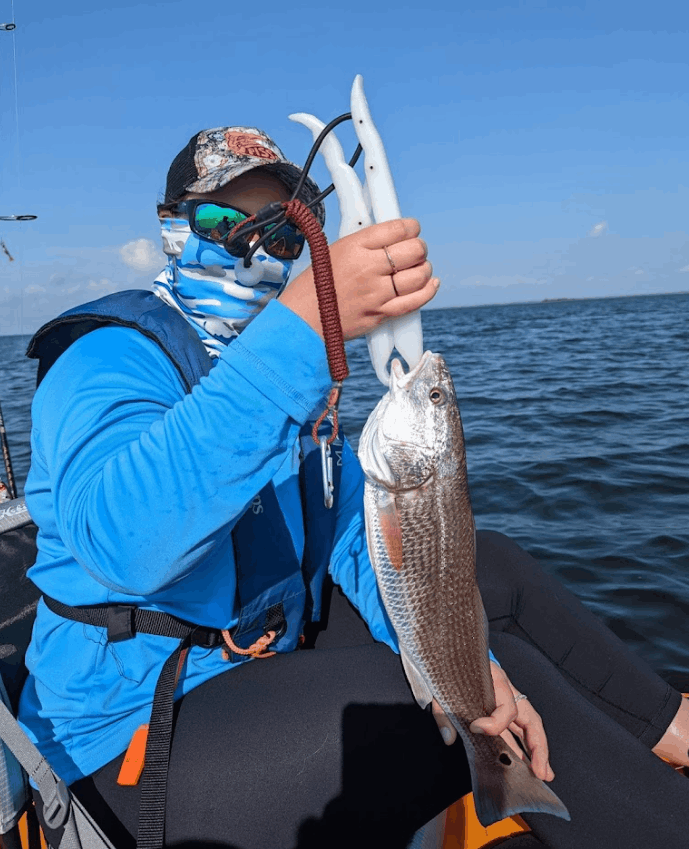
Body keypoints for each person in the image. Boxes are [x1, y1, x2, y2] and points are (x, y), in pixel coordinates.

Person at [17, 125, 689, 849]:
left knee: (486, 581)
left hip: (258, 653)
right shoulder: (108, 353)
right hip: (131, 726)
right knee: (492, 692)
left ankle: (669, 729)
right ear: (172, 225)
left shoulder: (271, 367)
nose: (252, 250)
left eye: (280, 236)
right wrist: (302, 328)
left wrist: (459, 662)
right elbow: (122, 544)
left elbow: (350, 537)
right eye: (221, 222)